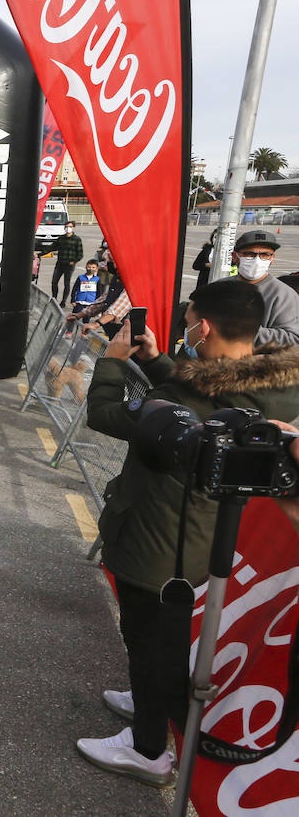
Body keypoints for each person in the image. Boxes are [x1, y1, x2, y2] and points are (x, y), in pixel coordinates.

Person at [77, 279, 299, 787]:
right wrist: (157, 360)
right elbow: (192, 394)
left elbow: (110, 414)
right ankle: (148, 700)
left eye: (189, 321)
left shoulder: (193, 394)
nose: (185, 330)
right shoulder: (265, 386)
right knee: (166, 638)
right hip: (198, 539)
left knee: (148, 636)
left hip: (159, 538)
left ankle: (149, 749)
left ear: (205, 326)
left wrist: (113, 361)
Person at [230, 229, 299, 346]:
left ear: (272, 258)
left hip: (256, 362)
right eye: (249, 254)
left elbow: (293, 338)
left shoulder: (284, 295)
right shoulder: (217, 287)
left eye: (265, 254)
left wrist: (241, 330)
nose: (257, 260)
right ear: (235, 256)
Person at [50, 220, 84, 307]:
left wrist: (74, 261)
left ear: (73, 228)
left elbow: (80, 254)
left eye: (70, 227)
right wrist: (39, 254)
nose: (68, 228)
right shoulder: (61, 238)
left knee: (66, 283)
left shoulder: (77, 239)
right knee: (54, 281)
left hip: (69, 265)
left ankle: (63, 301)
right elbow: (52, 247)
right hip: (60, 263)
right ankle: (54, 298)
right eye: (67, 226)